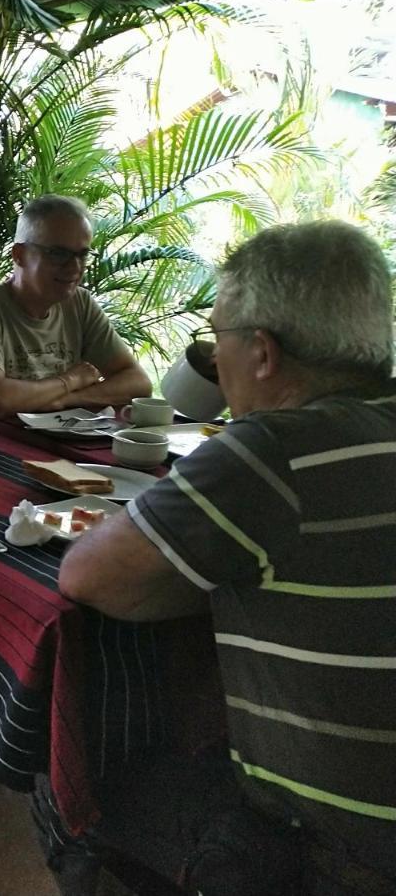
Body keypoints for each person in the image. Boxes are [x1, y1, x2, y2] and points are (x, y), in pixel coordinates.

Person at [42, 221, 396, 895]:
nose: (213, 363)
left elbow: (85, 575)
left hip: (338, 852)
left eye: (215, 343)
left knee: (74, 763)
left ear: (261, 352)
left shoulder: (270, 452)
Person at [0, 195, 151, 425]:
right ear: (19, 255)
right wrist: (69, 380)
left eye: (82, 255)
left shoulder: (79, 303)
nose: (74, 267)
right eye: (59, 254)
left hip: (60, 443)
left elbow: (138, 383)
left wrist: (69, 399)